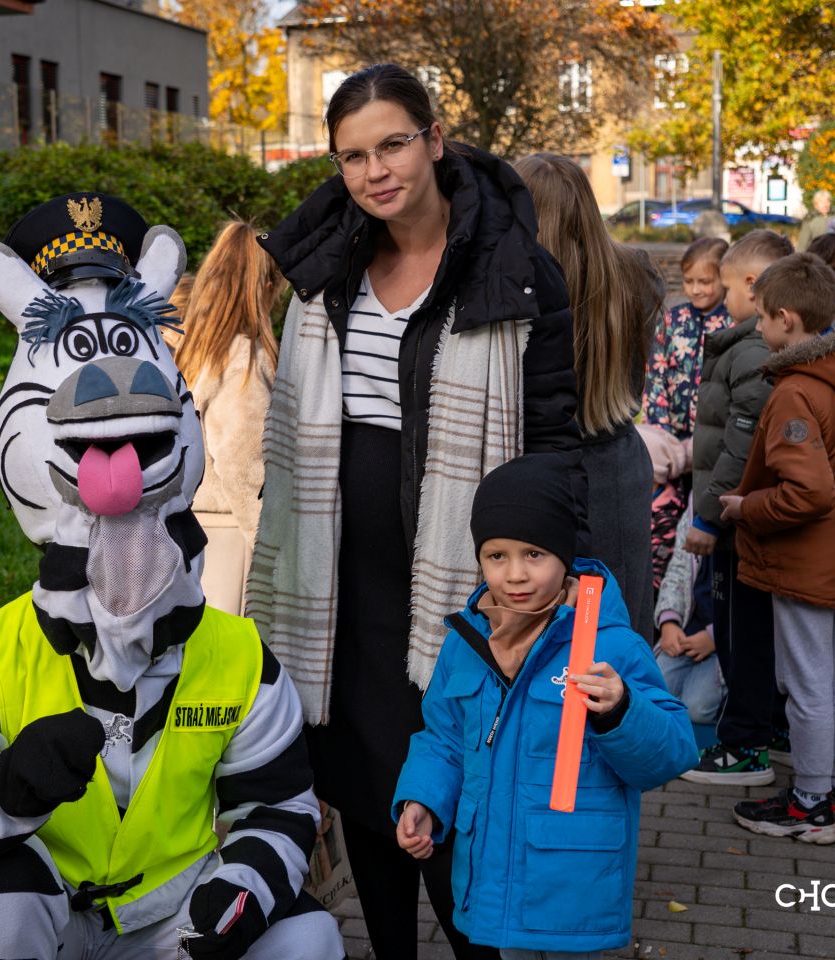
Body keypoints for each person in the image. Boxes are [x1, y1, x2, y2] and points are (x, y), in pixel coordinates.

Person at [0, 195, 343, 960]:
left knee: (305, 935)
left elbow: (281, 809)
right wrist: (6, 792)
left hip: (175, 919)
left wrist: (242, 892)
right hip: (48, 911)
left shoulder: (239, 659)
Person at [249, 64, 582, 960]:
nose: (375, 171)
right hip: (339, 570)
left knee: (452, 783)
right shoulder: (327, 264)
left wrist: (538, 567)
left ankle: (476, 944)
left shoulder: (514, 270)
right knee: (361, 781)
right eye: (352, 156)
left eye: (393, 143)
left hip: (455, 564)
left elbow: (554, 435)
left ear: (435, 139)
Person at [392, 455, 698, 958]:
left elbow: (674, 749)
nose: (514, 574)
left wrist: (621, 710)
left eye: (534, 554)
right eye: (496, 556)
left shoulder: (609, 643)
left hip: (573, 891)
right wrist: (422, 801)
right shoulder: (467, 642)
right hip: (494, 881)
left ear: (564, 553)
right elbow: (443, 740)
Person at [722, 252, 835, 841]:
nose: (758, 327)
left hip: (804, 559)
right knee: (832, 681)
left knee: (807, 686)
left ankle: (811, 805)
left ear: (787, 319)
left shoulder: (796, 392)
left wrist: (747, 508)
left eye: (763, 317)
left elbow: (808, 491)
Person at [513, 153, 665, 635]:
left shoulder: (512, 282)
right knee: (619, 629)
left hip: (533, 466)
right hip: (617, 463)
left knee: (535, 630)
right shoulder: (637, 276)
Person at [681, 230, 792, 787]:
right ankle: (769, 724)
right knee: (751, 629)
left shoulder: (749, 349)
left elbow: (741, 443)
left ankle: (745, 744)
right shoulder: (754, 345)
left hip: (731, 524)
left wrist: (707, 517)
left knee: (737, 633)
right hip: (743, 521)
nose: (721, 298)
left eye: (725, 287)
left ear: (753, 285)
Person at [177, 220, 281, 614]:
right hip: (231, 538)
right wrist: (272, 557)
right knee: (236, 662)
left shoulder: (193, 348)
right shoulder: (241, 358)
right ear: (265, 285)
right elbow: (243, 466)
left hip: (192, 529)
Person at [641, 236, 731, 589]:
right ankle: (661, 590)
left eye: (705, 282)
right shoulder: (672, 319)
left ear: (723, 279)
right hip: (671, 441)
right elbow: (657, 373)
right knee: (664, 517)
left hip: (710, 444)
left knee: (702, 518)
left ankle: (699, 599)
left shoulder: (731, 324)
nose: (695, 289)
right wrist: (661, 434)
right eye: (689, 281)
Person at [654, 506, 724, 724]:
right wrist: (669, 621)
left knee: (697, 708)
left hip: (726, 639)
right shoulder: (695, 507)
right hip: (687, 627)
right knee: (654, 690)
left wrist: (716, 637)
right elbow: (678, 569)